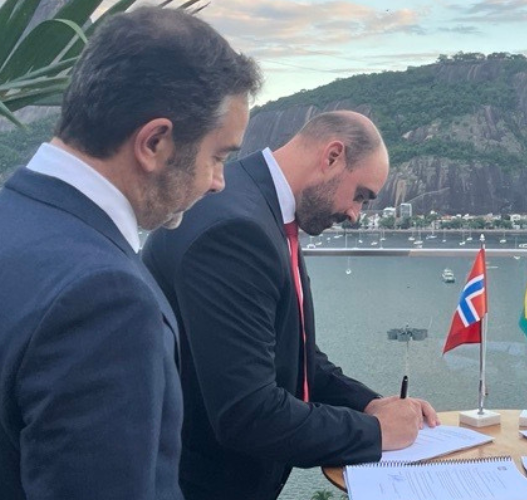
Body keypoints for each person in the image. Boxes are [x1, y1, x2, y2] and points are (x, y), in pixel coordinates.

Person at [0, 8, 261, 500]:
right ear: (156, 142)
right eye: (218, 156)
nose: (219, 181)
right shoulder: (105, 298)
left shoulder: (14, 217)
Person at [142, 110, 438, 500]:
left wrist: (370, 404)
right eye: (361, 195)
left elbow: (295, 355)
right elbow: (248, 414)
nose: (354, 214)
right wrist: (377, 432)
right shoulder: (237, 229)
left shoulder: (259, 210)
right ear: (332, 156)